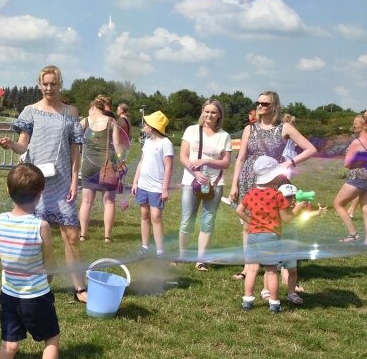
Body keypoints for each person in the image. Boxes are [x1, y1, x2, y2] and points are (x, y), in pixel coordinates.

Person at [0, 65, 86, 304]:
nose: (49, 88)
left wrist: (75, 179)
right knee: (34, 236)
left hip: (63, 182)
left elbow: (75, 149)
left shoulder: (70, 112)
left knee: (72, 235)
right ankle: (39, 281)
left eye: (53, 84)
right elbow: (23, 146)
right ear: (39, 85)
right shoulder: (30, 111)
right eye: (45, 84)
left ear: (60, 84)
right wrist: (11, 145)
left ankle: (79, 287)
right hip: (36, 184)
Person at [0, 163, 66, 359]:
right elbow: (50, 262)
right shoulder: (40, 226)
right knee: (51, 339)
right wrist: (49, 277)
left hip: (9, 294)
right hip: (37, 296)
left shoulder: (1, 220)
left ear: (7, 190)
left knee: (9, 345)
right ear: (40, 193)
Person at [228, 91, 316, 283]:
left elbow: (311, 149)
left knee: (277, 223)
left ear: (275, 106)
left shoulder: (285, 127)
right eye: (258, 103)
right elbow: (241, 158)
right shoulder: (248, 129)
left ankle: (279, 266)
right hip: (249, 178)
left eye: (265, 104)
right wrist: (234, 184)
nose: (260, 106)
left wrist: (289, 163)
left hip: (274, 180)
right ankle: (248, 266)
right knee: (248, 224)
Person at [235, 156, 321, 313]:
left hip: (253, 236)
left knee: (252, 270)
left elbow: (238, 210)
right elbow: (286, 219)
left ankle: (247, 300)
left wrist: (251, 221)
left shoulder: (251, 193)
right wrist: (298, 208)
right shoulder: (276, 195)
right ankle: (274, 303)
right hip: (270, 236)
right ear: (273, 176)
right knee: (271, 271)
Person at [177, 100, 232, 270]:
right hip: (191, 181)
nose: (209, 115)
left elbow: (226, 163)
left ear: (219, 115)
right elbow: (183, 156)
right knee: (187, 218)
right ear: (202, 112)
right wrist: (196, 173)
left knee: (208, 221)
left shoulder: (224, 136)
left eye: (213, 112)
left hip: (215, 183)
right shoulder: (192, 130)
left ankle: (200, 259)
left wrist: (207, 161)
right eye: (206, 111)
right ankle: (182, 255)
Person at [78, 95, 124, 243]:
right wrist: (121, 161)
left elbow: (77, 141)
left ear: (92, 108)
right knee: (109, 202)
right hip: (107, 165)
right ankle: (107, 236)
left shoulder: (84, 121)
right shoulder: (111, 121)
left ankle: (83, 234)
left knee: (86, 202)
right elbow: (117, 144)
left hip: (88, 165)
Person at [131, 111, 173, 256]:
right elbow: (142, 162)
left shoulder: (166, 143)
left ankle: (160, 251)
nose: (143, 126)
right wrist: (135, 181)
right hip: (143, 185)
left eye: (146, 124)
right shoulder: (147, 142)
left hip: (157, 186)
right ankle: (145, 247)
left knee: (155, 216)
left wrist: (165, 188)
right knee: (144, 214)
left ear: (153, 127)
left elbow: (168, 167)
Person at [333, 115, 367, 243]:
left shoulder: (356, 142)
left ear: (364, 125)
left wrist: (349, 154)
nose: (353, 126)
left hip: (358, 177)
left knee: (338, 204)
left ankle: (353, 234)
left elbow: (347, 164)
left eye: (355, 123)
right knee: (365, 208)